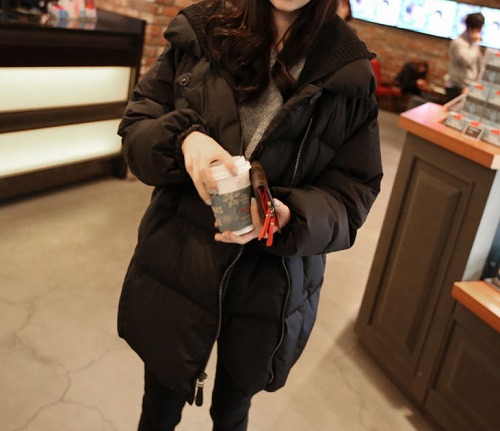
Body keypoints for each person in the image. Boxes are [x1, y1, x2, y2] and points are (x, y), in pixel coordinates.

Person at [117, 0, 383, 429]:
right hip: (181, 259)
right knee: (159, 405)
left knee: (233, 409)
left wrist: (289, 217)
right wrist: (184, 140)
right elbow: (137, 128)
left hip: (272, 284)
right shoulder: (202, 29)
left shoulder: (347, 68)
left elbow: (353, 194)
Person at [444, 12, 485, 103]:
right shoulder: (458, 43)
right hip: (457, 88)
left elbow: (479, 65)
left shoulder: (473, 43)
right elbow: (468, 61)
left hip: (468, 87)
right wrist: (475, 43)